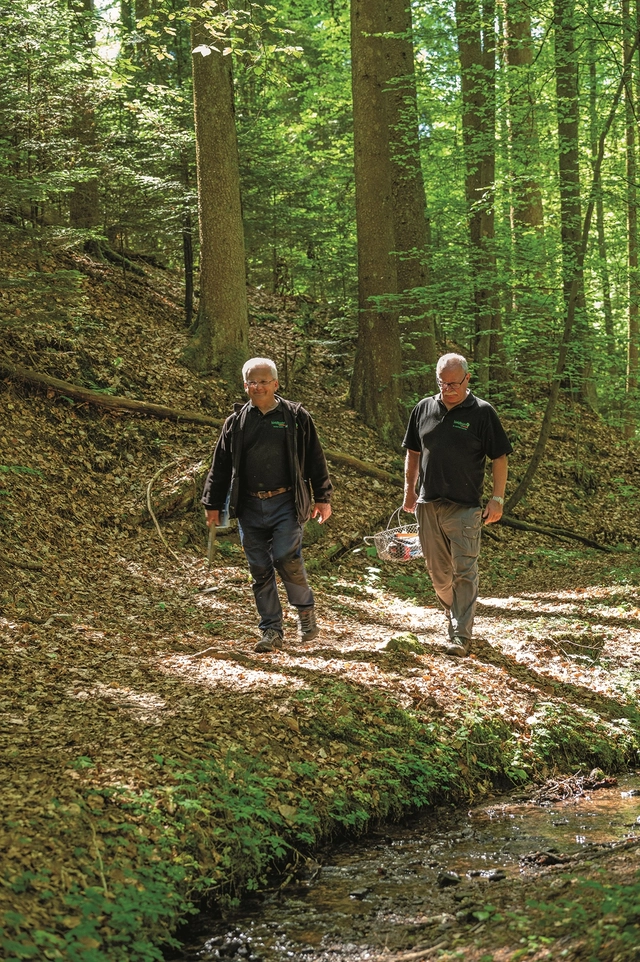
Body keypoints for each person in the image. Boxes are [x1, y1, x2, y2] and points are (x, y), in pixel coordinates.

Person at [202, 358, 332, 653]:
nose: (257, 387)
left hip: (287, 501)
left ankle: (305, 610)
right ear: (244, 384)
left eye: (263, 381)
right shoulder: (236, 423)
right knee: (259, 568)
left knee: (286, 556)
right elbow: (219, 466)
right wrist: (212, 503)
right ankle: (271, 630)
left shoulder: (295, 416)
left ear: (276, 383)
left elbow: (315, 457)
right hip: (249, 506)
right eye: (252, 382)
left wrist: (323, 497)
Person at [402, 353, 512, 656]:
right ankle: (455, 612)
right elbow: (413, 453)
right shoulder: (423, 408)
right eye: (442, 383)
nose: (447, 388)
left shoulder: (482, 413)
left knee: (465, 570)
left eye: (454, 383)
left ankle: (460, 634)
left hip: (465, 507)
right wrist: (409, 492)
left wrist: (497, 499)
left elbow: (499, 457)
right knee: (439, 574)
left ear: (467, 379)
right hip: (427, 503)